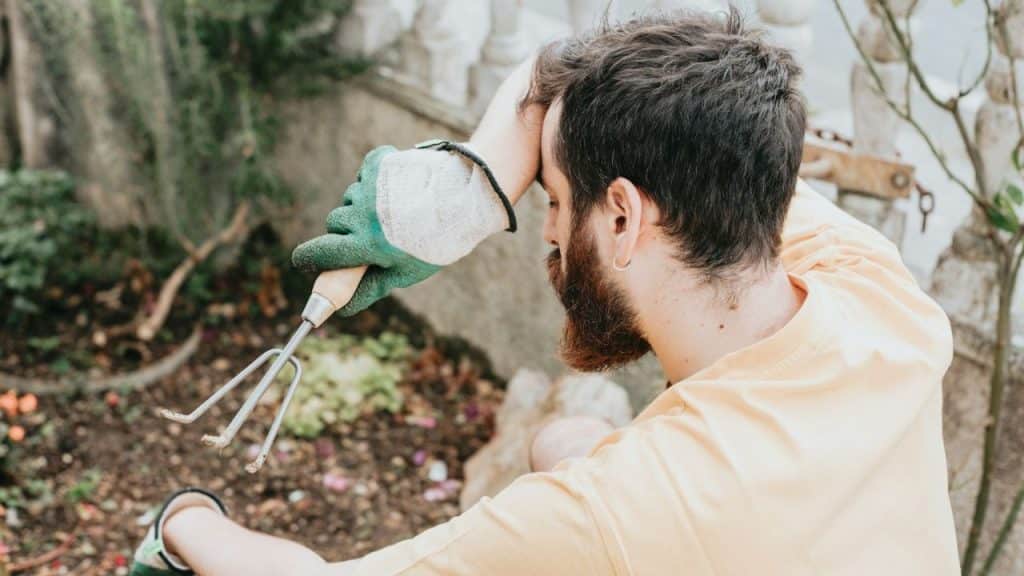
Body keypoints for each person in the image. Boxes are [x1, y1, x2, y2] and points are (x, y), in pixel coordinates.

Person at [131, 9, 960, 576]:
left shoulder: (628, 511)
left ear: (626, 215)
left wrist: (183, 522)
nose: (551, 234)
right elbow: (555, 67)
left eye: (554, 200)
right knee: (556, 442)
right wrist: (472, 185)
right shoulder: (875, 291)